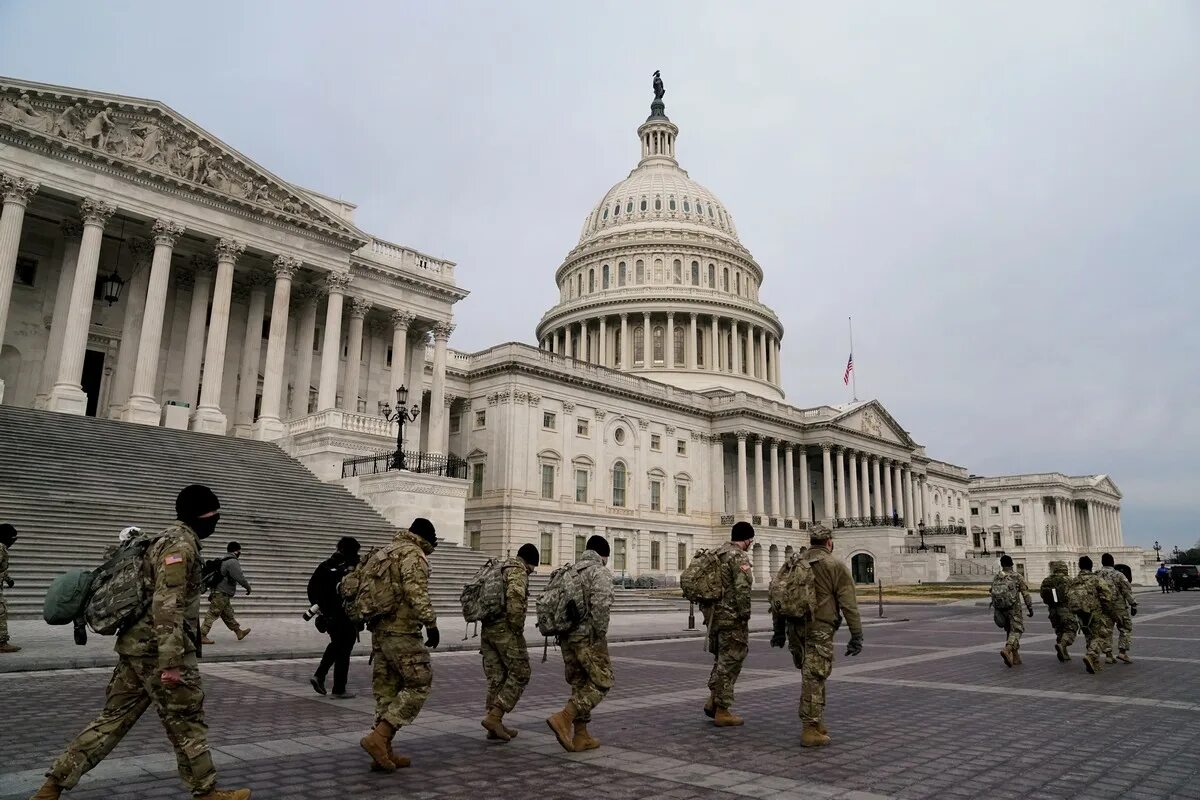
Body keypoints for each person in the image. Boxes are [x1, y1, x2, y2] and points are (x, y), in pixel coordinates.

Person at [30, 485, 251, 800]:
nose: (217, 519)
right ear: (205, 515)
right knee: (187, 722)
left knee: (112, 720)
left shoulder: (160, 539)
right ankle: (207, 793)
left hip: (136, 647)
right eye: (215, 514)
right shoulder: (181, 546)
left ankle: (52, 786)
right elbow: (168, 602)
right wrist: (172, 662)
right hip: (159, 651)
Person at [359, 518, 440, 773]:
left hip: (380, 632)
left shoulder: (386, 551)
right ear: (426, 539)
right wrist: (431, 623)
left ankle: (383, 752)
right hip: (403, 631)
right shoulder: (413, 554)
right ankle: (379, 737)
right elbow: (415, 590)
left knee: (387, 690)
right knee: (420, 682)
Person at [770, 524, 862, 747]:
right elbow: (848, 604)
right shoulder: (834, 565)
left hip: (794, 627)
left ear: (811, 541)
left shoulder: (793, 563)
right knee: (815, 676)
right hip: (819, 627)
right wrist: (856, 634)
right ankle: (810, 728)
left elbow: (777, 597)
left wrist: (779, 631)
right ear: (829, 542)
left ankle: (817, 721)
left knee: (810, 673)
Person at [546, 534, 614, 753]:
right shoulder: (599, 571)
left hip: (565, 636)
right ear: (604, 556)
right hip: (587, 637)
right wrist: (599, 635)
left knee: (580, 682)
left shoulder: (569, 571)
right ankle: (564, 717)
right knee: (603, 681)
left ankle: (581, 735)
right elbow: (601, 606)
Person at [480, 542, 538, 742]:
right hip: (505, 631)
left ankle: (493, 724)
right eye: (532, 569)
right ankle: (495, 717)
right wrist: (517, 628)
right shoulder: (517, 571)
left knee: (497, 676)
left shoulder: (499, 568)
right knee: (521, 673)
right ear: (529, 563)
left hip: (487, 630)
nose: (530, 572)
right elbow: (515, 599)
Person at [702, 521, 755, 727]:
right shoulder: (738, 556)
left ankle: (713, 700)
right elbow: (742, 588)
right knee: (731, 662)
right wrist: (745, 615)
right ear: (748, 539)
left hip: (714, 617)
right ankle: (722, 710)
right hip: (732, 618)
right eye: (751, 539)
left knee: (721, 660)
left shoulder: (718, 553)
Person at [308, 536, 362, 699]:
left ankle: (325, 678)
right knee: (343, 648)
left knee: (338, 645)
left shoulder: (325, 565)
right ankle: (335, 686)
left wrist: (321, 608)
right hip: (344, 615)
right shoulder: (349, 568)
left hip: (328, 615)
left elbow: (311, 588)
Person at [1070, 555, 1118, 675]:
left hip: (1080, 613)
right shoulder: (1096, 579)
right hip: (1094, 611)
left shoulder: (1074, 581)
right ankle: (1091, 656)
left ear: (1080, 567)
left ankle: (1095, 664)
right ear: (1091, 567)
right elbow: (1107, 597)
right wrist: (1111, 612)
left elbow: (1067, 596)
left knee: (1089, 636)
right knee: (1102, 635)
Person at [200, 541, 252, 644]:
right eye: (239, 550)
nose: (240, 552)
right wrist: (248, 587)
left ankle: (238, 632)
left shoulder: (224, 559)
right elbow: (240, 577)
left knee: (227, 614)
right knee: (213, 613)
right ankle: (202, 635)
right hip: (221, 593)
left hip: (220, 592)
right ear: (236, 551)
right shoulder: (232, 562)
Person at [991, 554, 1034, 667]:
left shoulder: (997, 577)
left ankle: (1015, 657)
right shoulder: (1017, 576)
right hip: (1014, 608)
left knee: (1010, 631)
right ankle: (1007, 649)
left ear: (1001, 565)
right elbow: (1025, 593)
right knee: (1017, 630)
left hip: (1001, 609)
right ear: (1012, 564)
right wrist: (1030, 607)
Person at [1098, 552, 1137, 664]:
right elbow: (1127, 591)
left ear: (1102, 562)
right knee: (1125, 628)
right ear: (1113, 562)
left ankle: (1109, 655)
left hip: (1104, 607)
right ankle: (1122, 652)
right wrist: (1133, 604)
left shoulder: (1097, 575)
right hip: (1119, 607)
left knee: (1106, 631)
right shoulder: (1118, 575)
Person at [1039, 560, 1078, 661]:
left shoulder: (1046, 580)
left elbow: (1043, 595)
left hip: (1052, 611)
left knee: (1060, 632)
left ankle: (1063, 654)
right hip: (1066, 610)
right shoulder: (1069, 580)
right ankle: (1062, 645)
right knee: (1070, 631)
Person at [0, 524, 18, 654]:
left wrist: (8, 579)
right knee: (1, 612)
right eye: (12, 539)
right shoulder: (0, 547)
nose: (13, 542)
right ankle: (1, 643)